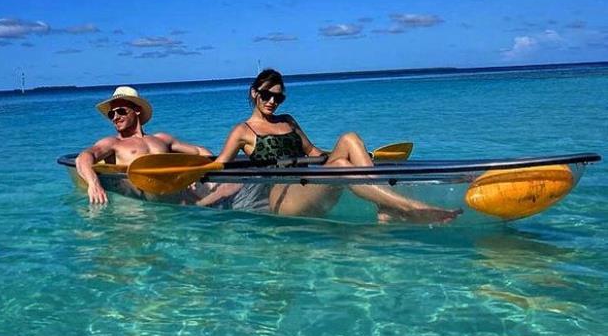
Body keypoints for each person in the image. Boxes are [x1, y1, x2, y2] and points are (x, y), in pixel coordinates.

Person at [198, 69, 461, 224]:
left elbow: (314, 153)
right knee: (342, 166)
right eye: (266, 95)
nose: (272, 101)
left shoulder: (288, 121)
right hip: (280, 198)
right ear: (255, 93)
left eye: (278, 97)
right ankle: (410, 207)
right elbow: (222, 164)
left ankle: (385, 206)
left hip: (306, 182)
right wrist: (198, 176)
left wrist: (358, 156)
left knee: (349, 139)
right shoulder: (243, 130)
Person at [76, 86, 213, 204]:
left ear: (137, 110)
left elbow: (199, 151)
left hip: (174, 200)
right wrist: (94, 184)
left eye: (121, 111)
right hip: (139, 208)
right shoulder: (113, 143)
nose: (115, 117)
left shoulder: (162, 138)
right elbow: (84, 157)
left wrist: (199, 171)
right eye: (111, 114)